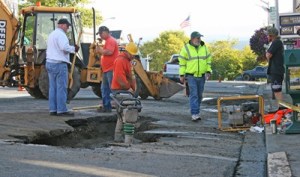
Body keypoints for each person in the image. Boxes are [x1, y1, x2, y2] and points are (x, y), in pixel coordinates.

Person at [46, 18, 79, 116]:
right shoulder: (61, 35)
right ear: (63, 25)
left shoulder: (52, 34)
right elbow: (64, 48)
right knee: (61, 88)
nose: (67, 28)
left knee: (53, 87)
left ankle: (53, 109)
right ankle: (61, 110)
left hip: (49, 62)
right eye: (67, 26)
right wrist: (74, 48)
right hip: (59, 64)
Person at [178, 31, 212, 121]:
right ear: (192, 39)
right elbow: (182, 63)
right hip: (191, 76)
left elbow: (208, 60)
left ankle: (197, 112)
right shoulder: (186, 49)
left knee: (199, 95)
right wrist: (181, 75)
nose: (199, 40)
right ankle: (195, 113)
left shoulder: (204, 48)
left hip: (201, 76)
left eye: (200, 38)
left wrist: (209, 71)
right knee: (194, 95)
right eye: (198, 38)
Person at [96, 26, 119, 112]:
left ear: (105, 32)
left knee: (112, 88)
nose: (100, 36)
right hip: (107, 69)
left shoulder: (111, 40)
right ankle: (107, 106)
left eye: (101, 33)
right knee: (105, 88)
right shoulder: (108, 41)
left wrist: (100, 50)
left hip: (111, 69)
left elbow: (109, 52)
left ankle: (118, 106)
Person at [265, 27, 285, 108]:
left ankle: (281, 108)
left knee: (277, 90)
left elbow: (268, 55)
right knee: (276, 90)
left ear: (271, 35)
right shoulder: (277, 42)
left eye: (268, 35)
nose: (267, 37)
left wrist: (267, 53)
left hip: (276, 70)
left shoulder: (276, 42)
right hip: (277, 70)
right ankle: (280, 107)